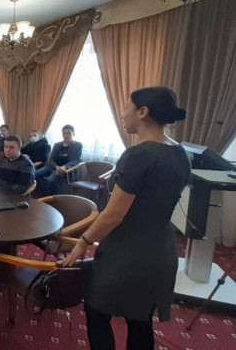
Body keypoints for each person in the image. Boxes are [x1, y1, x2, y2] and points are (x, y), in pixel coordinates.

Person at [60, 87, 190, 350]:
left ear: (143, 112)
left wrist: (82, 243)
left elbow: (113, 215)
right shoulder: (180, 153)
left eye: (126, 107)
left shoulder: (138, 155)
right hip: (161, 250)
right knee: (140, 319)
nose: (121, 114)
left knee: (97, 312)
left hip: (128, 253)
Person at [34, 124, 82, 196]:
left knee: (50, 180)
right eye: (64, 133)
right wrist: (56, 167)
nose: (66, 135)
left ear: (73, 134)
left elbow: (77, 160)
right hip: (53, 167)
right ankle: (36, 196)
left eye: (68, 133)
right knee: (33, 174)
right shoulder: (57, 145)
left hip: (66, 170)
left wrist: (65, 167)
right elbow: (51, 159)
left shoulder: (78, 145)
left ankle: (53, 198)